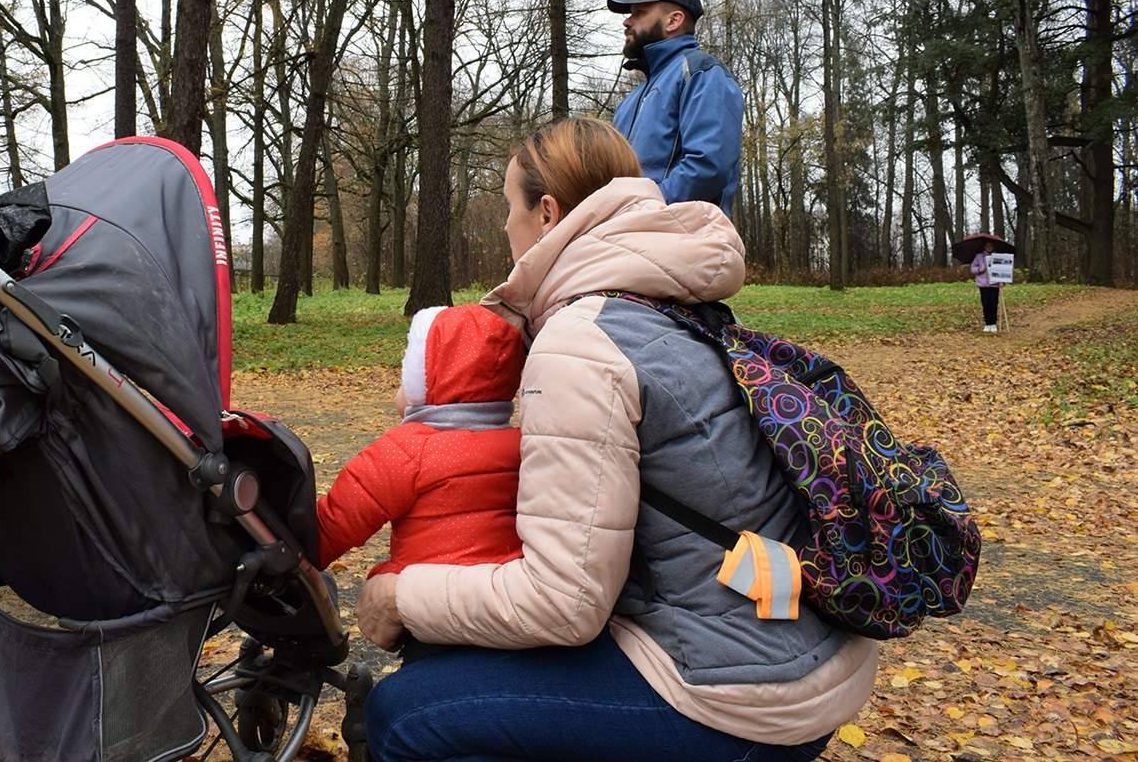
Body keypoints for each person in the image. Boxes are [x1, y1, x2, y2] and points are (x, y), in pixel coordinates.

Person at [354, 117, 877, 762]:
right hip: (802, 648)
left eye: (507, 207)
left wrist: (398, 592)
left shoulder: (581, 342)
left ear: (547, 214)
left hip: (738, 696)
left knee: (403, 716)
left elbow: (563, 604)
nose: (502, 229)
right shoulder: (669, 299)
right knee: (446, 652)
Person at [315, 304, 525, 659]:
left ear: (423, 382)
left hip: (427, 617)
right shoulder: (525, 446)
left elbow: (334, 525)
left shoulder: (408, 451)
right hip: (502, 607)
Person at [608, 0, 744, 217]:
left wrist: (644, 210)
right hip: (630, 237)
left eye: (639, 12)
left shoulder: (701, 73)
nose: (627, 22)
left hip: (686, 240)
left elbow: (708, 165)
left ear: (673, 20)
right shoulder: (628, 103)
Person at [969, 240, 1000, 333]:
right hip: (983, 284)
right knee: (985, 303)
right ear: (984, 247)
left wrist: (1002, 281)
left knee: (994, 303)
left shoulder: (998, 256)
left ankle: (993, 323)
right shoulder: (979, 256)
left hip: (995, 284)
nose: (989, 248)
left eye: (991, 246)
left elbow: (1003, 269)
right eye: (987, 246)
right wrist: (979, 269)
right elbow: (972, 268)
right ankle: (987, 323)